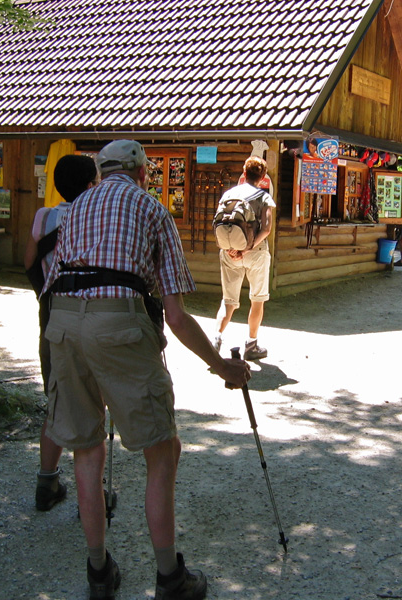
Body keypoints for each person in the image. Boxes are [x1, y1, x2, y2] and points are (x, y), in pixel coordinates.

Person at [40, 139, 250, 600]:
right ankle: (170, 577)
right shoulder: (151, 209)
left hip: (62, 320)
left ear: (101, 172)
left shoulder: (73, 208)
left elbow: (55, 276)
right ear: (142, 174)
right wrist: (221, 367)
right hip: (116, 320)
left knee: (87, 451)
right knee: (162, 450)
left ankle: (99, 572)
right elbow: (174, 314)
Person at [23, 154, 99, 511]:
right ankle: (93, 493)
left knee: (56, 398)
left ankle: (47, 482)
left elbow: (28, 262)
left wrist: (45, 295)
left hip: (51, 313)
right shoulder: (98, 216)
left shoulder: (44, 215)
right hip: (90, 315)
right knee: (90, 402)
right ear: (90, 184)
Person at [211, 156, 276, 360]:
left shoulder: (228, 194)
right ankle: (251, 345)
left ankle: (215, 340)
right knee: (257, 300)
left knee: (228, 301)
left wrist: (234, 249)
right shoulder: (263, 196)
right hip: (254, 252)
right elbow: (266, 229)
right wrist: (247, 249)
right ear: (263, 176)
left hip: (228, 251)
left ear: (244, 172)